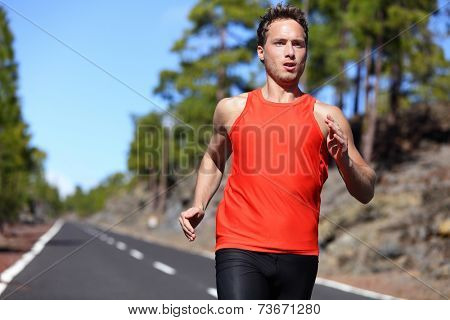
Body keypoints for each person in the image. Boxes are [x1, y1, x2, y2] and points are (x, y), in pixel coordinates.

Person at [178, 3, 376, 300]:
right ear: (261, 51)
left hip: (300, 254)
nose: (290, 52)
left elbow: (366, 190)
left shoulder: (326, 116)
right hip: (239, 246)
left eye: (298, 44)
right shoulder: (232, 109)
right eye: (280, 43)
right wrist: (200, 203)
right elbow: (214, 158)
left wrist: (345, 160)